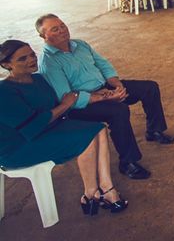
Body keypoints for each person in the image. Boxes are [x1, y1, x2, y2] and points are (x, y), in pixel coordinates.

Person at [37, 14, 174, 180]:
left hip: (104, 87)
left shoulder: (79, 44)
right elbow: (67, 97)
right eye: (55, 29)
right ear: (43, 36)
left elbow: (103, 64)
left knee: (149, 88)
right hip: (81, 103)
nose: (62, 30)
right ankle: (128, 163)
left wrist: (117, 85)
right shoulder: (49, 62)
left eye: (63, 25)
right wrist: (103, 98)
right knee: (118, 111)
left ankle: (154, 130)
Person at [0, 40, 127, 215]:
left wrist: (98, 95)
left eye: (31, 54)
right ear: (6, 64)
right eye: (22, 59)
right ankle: (91, 193)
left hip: (45, 129)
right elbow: (33, 124)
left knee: (99, 129)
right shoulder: (4, 90)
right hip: (18, 146)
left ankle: (106, 187)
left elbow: (63, 97)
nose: (31, 60)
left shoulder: (38, 79)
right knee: (86, 138)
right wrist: (66, 104)